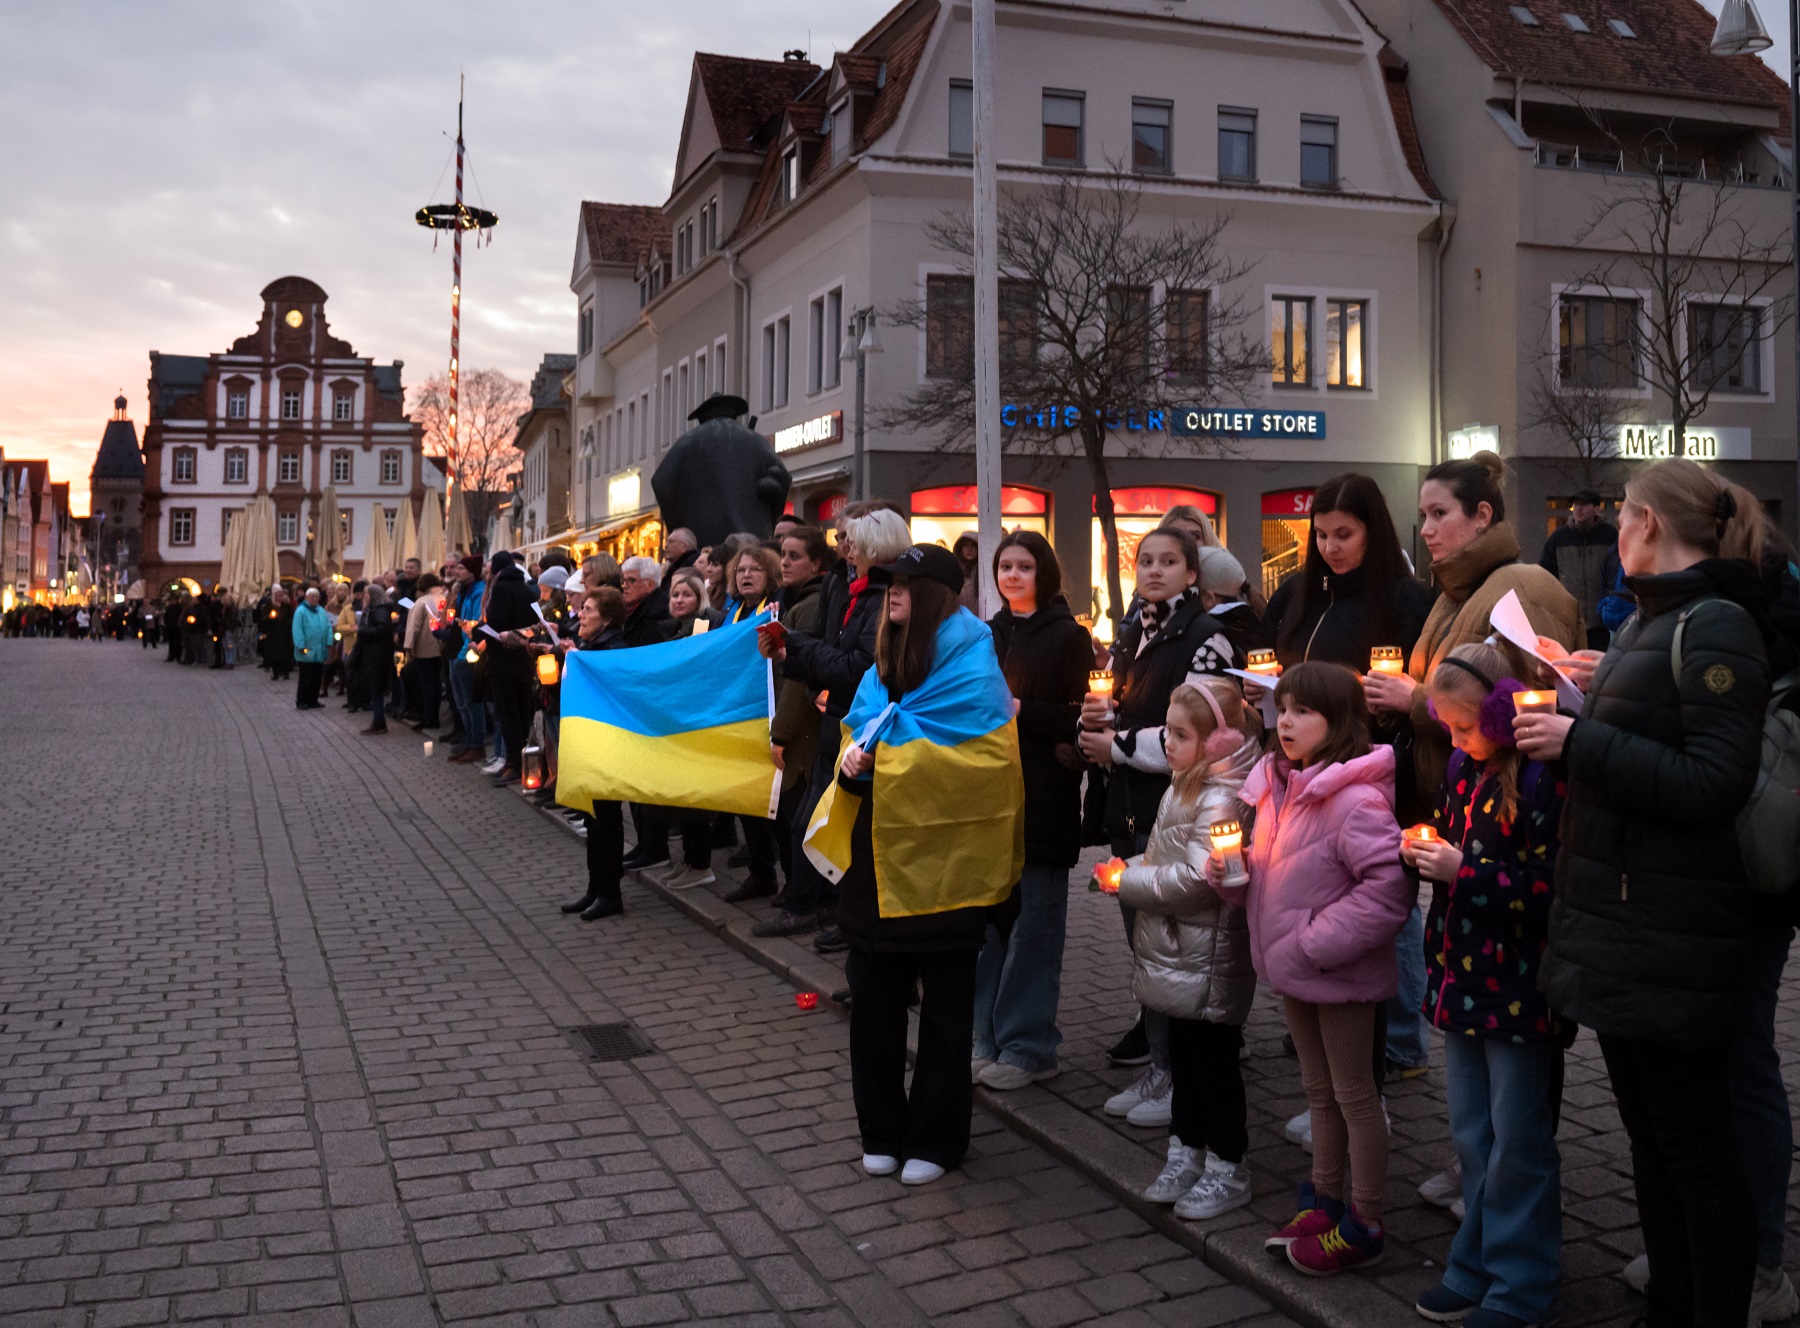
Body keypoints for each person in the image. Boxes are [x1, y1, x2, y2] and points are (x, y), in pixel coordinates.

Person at [1528, 458, 1774, 1328]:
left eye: (1623, 516)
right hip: (1626, 925)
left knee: (1695, 1152)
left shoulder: (1715, 626)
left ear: (1647, 525)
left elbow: (1712, 781)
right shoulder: (1652, 619)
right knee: (1653, 1144)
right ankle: (1670, 1307)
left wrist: (1578, 740)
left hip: (1673, 928)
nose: (1614, 531)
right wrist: (1591, 694)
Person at [834, 543, 1022, 1186]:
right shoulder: (881, 665)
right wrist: (852, 761)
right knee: (874, 1007)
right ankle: (880, 1129)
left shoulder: (974, 664)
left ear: (936, 595)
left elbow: (987, 763)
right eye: (888, 584)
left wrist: (887, 757)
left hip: (950, 870)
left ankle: (937, 1139)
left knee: (945, 1012)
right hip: (879, 870)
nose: (892, 593)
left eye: (905, 584)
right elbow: (858, 730)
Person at [1213, 661, 1409, 1275]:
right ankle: (1325, 1199)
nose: (1287, 721)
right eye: (1284, 708)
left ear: (1341, 721)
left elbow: (1388, 892)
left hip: (1336, 972)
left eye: (1304, 711)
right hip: (1294, 965)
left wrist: (1314, 942)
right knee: (1318, 1092)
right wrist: (1234, 876)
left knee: (1355, 1095)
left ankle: (1366, 1218)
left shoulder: (1356, 799)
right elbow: (1276, 873)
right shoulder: (1280, 784)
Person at [1262, 473, 1436, 1100]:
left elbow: (1424, 688)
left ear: (1373, 532)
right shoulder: (1296, 596)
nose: (1332, 547)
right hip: (1304, 776)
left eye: (1346, 534)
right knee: (1322, 895)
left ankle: (1397, 1041)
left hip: (1374, 774)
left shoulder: (1405, 599)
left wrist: (1392, 700)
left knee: (1385, 904)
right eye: (1322, 535)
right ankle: (1334, 1019)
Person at [1407, 643, 1565, 1328]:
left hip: (1522, 989)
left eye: (1465, 726)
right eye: (1445, 726)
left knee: (1517, 1142)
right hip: (1461, 980)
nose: (1455, 738)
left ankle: (1522, 1284)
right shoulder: (1459, 769)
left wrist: (1459, 872)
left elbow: (1551, 891)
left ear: (1503, 712)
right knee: (1472, 1136)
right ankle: (1473, 1261)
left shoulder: (1540, 778)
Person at [1077, 525, 1236, 1127]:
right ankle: (1161, 1067)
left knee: (1177, 953)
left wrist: (1113, 743)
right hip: (1134, 809)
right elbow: (1124, 712)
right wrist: (1098, 717)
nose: (1155, 570)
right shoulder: (1131, 636)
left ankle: (1182, 1079)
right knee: (1146, 952)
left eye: (1170, 561)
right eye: (1145, 561)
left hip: (1182, 811)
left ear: (1193, 574)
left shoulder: (1206, 637)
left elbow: (1196, 737)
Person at [1102, 681, 1259, 1220]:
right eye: (1167, 731)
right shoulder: (1184, 784)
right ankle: (1185, 1152)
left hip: (1209, 956)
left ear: (1218, 742)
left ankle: (1227, 1165)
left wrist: (1128, 881)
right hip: (1182, 952)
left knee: (1212, 1064)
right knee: (1188, 1063)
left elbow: (1197, 881)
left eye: (1182, 735)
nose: (1167, 742)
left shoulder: (1219, 795)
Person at [1363, 452, 1580, 815]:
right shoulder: (1453, 594)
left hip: (1504, 811)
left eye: (1439, 513)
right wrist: (1388, 701)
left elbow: (1530, 706)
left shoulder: (1524, 587)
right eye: (1423, 516)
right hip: (1453, 802)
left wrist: (1415, 700)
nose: (1427, 529)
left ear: (1482, 515)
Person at [755, 506, 912, 942]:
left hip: (858, 728)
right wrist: (797, 658)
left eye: (852, 542)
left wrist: (800, 647)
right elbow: (834, 654)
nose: (844, 549)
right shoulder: (850, 589)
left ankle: (821, 910)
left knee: (837, 826)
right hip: (840, 723)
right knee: (819, 823)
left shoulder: (879, 598)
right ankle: (825, 909)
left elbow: (859, 666)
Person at [973, 531, 1092, 1090]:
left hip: (1044, 797)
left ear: (1045, 573)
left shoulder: (1069, 637)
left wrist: (1022, 710)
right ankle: (984, 1037)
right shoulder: (986, 633)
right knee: (988, 929)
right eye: (1005, 567)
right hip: (988, 800)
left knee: (1033, 930)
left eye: (1024, 566)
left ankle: (1029, 1045)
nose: (1013, 576)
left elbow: (1084, 716)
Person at [558, 586, 631, 922]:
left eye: (588, 610)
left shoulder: (614, 647)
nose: (580, 615)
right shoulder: (592, 645)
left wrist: (580, 659)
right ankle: (595, 887)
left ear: (608, 618)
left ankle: (609, 893)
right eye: (582, 608)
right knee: (593, 818)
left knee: (606, 821)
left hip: (608, 745)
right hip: (592, 743)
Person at [766, 525, 831, 901]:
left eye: (795, 556)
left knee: (799, 816)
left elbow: (796, 679)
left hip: (804, 731)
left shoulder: (808, 607)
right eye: (783, 555)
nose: (786, 562)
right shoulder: (797, 602)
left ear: (816, 563)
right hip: (801, 726)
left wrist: (781, 732)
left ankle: (804, 897)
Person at [484, 552, 540, 785]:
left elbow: (495, 624)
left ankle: (513, 763)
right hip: (523, 660)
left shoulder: (500, 589)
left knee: (508, 714)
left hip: (503, 660)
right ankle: (523, 762)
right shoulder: (525, 588)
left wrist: (479, 630)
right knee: (521, 712)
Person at [1538, 488, 1617, 651]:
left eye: (1584, 504)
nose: (1578, 508)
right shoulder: (1559, 538)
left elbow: (1620, 572)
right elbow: (1546, 575)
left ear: (1597, 509)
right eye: (1576, 504)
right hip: (1570, 621)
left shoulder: (1610, 536)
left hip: (1602, 623)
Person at [447, 558, 487, 762]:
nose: (456, 571)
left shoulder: (479, 591)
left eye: (461, 568)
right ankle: (469, 740)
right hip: (459, 649)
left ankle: (476, 744)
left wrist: (466, 625)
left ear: (472, 571)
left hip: (469, 651)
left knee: (471, 702)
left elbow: (477, 623)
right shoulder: (463, 591)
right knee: (462, 702)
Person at [404, 573, 446, 731]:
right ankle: (433, 717)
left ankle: (429, 718)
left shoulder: (421, 602)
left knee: (427, 685)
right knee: (435, 684)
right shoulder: (445, 599)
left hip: (424, 648)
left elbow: (413, 627)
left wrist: (409, 647)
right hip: (441, 647)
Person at [357, 584, 401, 735]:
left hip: (378, 654)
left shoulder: (380, 610)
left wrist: (363, 630)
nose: (365, 597)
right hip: (374, 653)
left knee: (377, 687)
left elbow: (382, 629)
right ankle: (378, 719)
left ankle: (378, 721)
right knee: (375, 687)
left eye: (366, 594)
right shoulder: (373, 609)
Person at [291, 588, 333, 710]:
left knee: (316, 677)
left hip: (319, 650)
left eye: (316, 597)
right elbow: (297, 630)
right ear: (307, 598)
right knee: (305, 677)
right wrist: (301, 646)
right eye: (312, 596)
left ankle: (313, 700)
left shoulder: (321, 611)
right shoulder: (301, 611)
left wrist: (329, 641)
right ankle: (302, 700)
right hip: (306, 650)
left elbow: (328, 626)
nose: (315, 599)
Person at [666, 569, 720, 636]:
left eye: (687, 595)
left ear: (700, 599)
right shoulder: (671, 629)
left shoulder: (710, 624)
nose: (679, 600)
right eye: (675, 595)